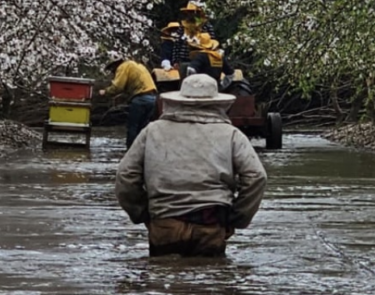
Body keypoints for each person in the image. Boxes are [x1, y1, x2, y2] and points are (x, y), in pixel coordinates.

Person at [114, 73, 267, 258]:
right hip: (211, 225)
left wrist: (142, 214)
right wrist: (236, 219)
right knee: (210, 282)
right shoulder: (232, 134)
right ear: (217, 104)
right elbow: (256, 176)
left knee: (162, 281)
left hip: (164, 224)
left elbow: (125, 175)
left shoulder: (151, 131)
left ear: (177, 101)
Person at [99, 55, 158, 147]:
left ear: (114, 65)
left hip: (140, 99)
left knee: (132, 127)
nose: (112, 72)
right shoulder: (137, 66)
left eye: (111, 69)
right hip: (153, 98)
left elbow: (118, 87)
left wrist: (105, 92)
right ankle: (143, 152)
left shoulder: (123, 67)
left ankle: (130, 152)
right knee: (143, 128)